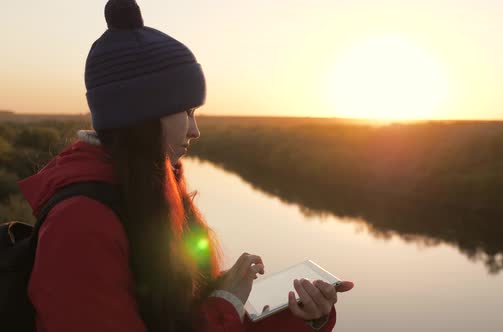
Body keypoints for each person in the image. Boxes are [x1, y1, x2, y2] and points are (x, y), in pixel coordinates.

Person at [16, 0, 354, 331]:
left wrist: (303, 318)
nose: (195, 131)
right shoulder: (78, 225)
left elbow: (190, 317)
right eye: (187, 112)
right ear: (142, 115)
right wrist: (225, 303)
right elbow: (210, 317)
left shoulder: (156, 187)